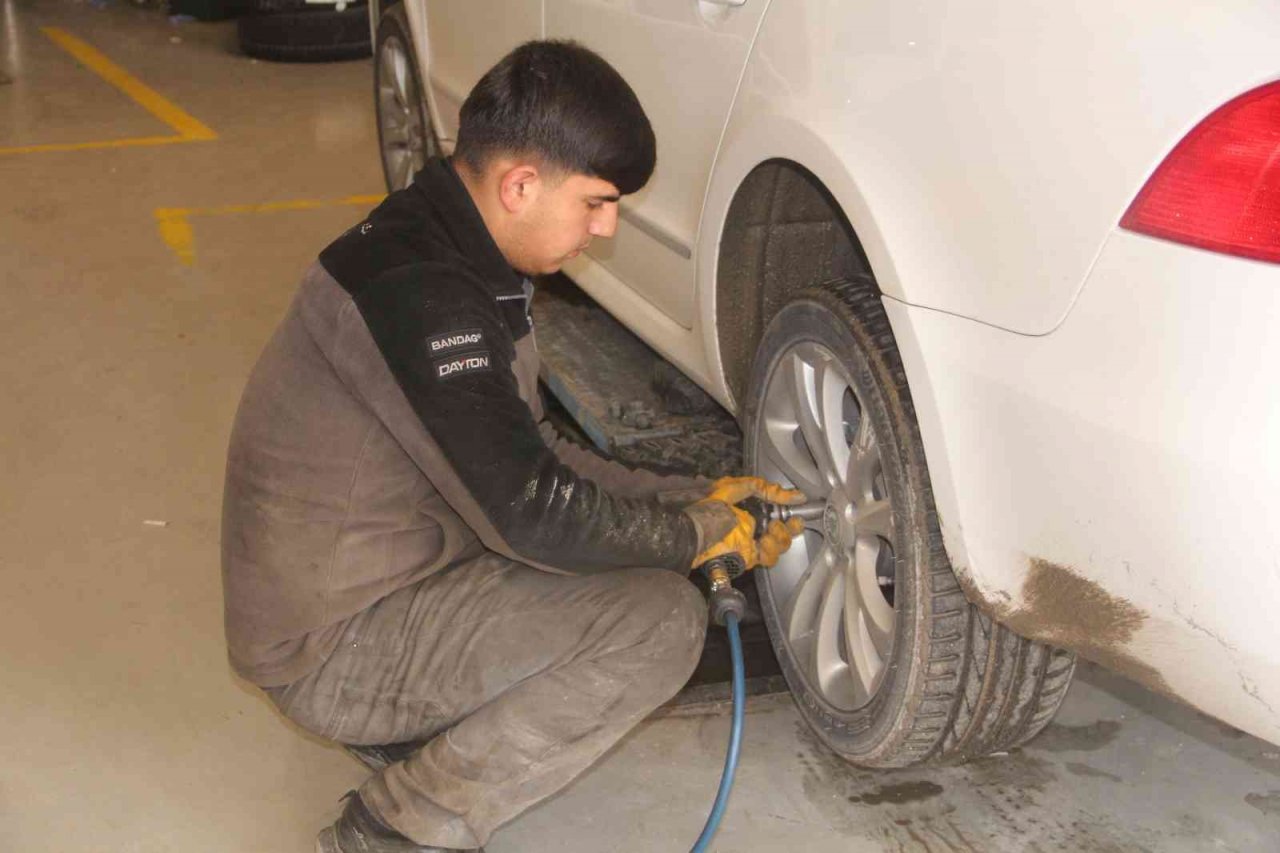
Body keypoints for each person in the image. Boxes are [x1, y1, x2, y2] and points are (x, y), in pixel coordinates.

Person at [220, 40, 805, 853]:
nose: (605, 227)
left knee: (620, 558)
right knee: (658, 620)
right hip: (330, 644)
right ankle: (397, 827)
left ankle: (430, 730)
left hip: (391, 572)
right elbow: (535, 515)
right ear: (520, 185)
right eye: (597, 202)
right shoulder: (426, 299)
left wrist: (692, 498)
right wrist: (697, 536)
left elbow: (536, 452)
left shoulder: (450, 245)